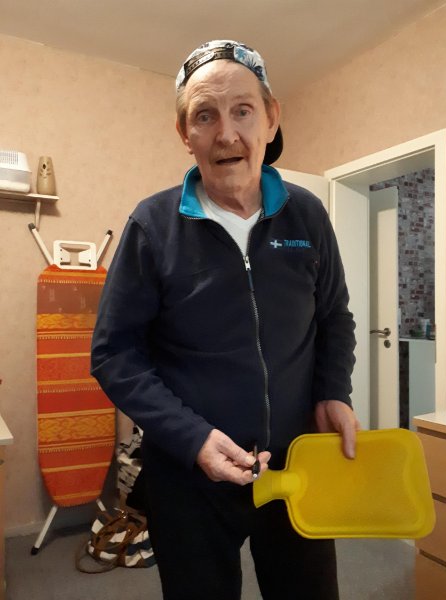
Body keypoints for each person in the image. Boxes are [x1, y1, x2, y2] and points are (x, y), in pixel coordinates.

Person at [91, 40, 359, 600]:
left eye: (243, 111)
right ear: (184, 133)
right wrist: (192, 438)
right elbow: (115, 354)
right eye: (205, 116)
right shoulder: (151, 226)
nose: (226, 134)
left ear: (271, 117)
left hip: (295, 463)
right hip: (188, 476)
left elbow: (334, 316)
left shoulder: (308, 214)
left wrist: (333, 391)